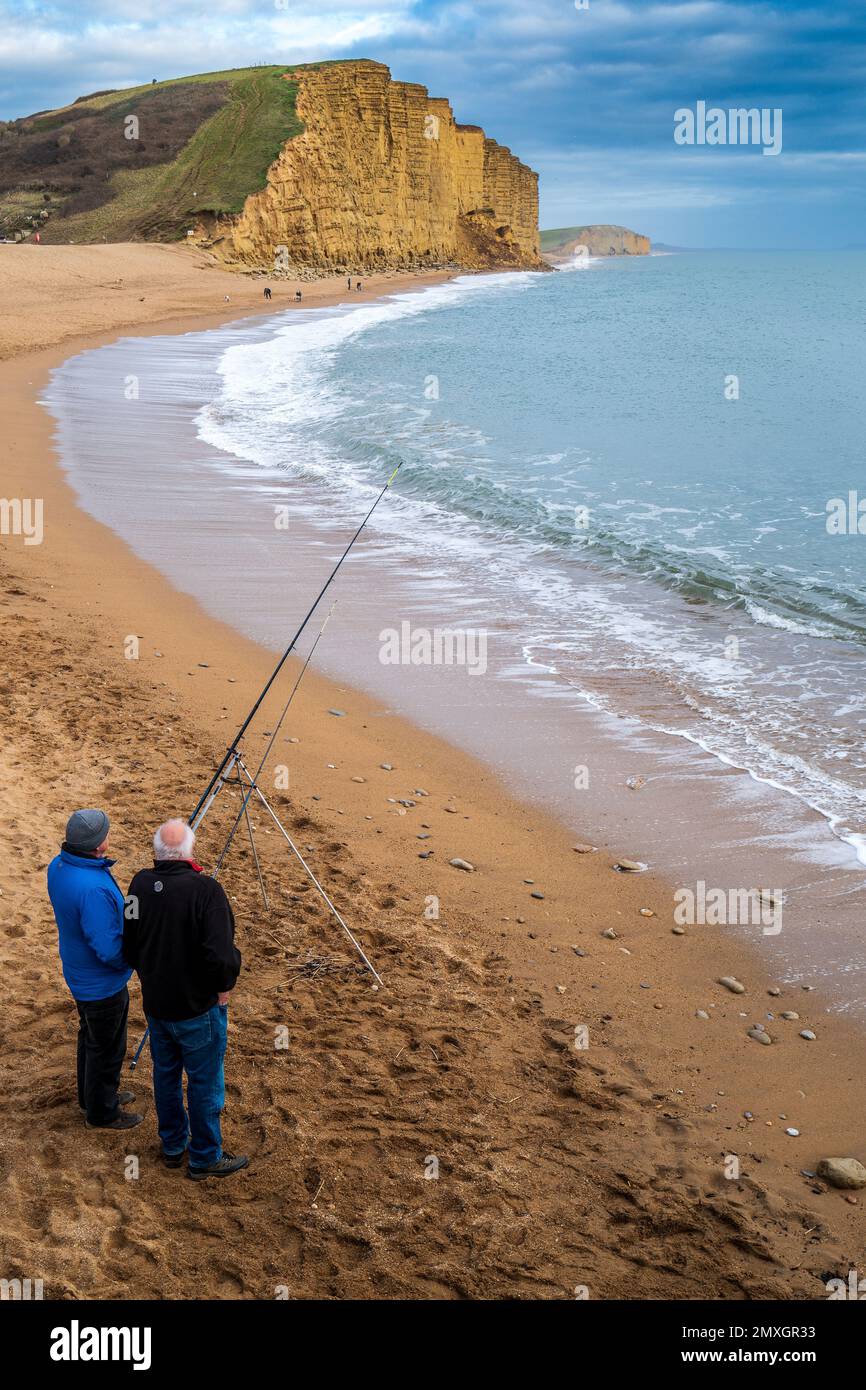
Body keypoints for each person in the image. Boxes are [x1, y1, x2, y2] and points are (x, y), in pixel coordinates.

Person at [124, 819, 247, 1180]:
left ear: (159, 853)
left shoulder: (139, 884)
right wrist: (224, 987)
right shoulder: (207, 891)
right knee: (204, 1081)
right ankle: (204, 1155)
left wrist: (146, 971)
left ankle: (174, 1145)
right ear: (189, 852)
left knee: (166, 1076)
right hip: (196, 1008)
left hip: (158, 1005)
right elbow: (221, 954)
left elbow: (129, 938)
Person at [47, 809, 142, 1130]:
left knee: (90, 1038)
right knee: (107, 1047)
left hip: (79, 973)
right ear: (98, 844)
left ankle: (92, 1097)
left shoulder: (59, 866)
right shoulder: (92, 889)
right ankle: (102, 1112)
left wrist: (127, 910)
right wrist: (134, 957)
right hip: (102, 985)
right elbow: (108, 949)